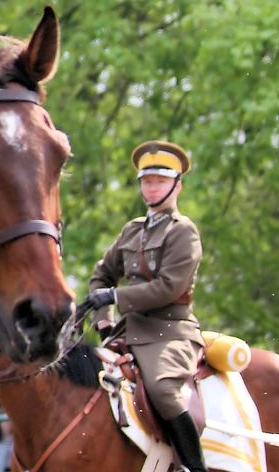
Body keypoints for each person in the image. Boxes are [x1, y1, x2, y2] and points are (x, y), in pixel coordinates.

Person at [87, 140, 206, 472]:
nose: (152, 188)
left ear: (176, 186)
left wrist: (116, 298)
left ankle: (193, 466)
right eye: (147, 181)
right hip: (129, 329)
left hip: (170, 332)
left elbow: (170, 287)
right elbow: (102, 275)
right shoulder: (132, 231)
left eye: (160, 181)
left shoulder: (184, 233)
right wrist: (103, 320)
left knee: (163, 390)